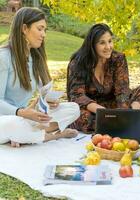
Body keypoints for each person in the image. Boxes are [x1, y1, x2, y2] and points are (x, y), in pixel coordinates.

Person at [0, 7, 80, 147]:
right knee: (15, 124)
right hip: (5, 120)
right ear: (24, 28)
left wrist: (47, 101)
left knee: (73, 108)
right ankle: (53, 135)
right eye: (40, 28)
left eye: (45, 30)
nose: (44, 34)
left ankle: (24, 136)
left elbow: (41, 98)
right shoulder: (3, 57)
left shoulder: (35, 58)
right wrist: (22, 112)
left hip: (26, 117)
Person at [67, 23, 140, 134]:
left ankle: (127, 119)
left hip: (115, 107)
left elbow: (122, 91)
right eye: (102, 43)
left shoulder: (118, 59)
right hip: (91, 109)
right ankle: (119, 124)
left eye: (110, 41)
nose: (108, 47)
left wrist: (123, 114)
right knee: (79, 116)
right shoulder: (78, 63)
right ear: (92, 45)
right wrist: (103, 112)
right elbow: (77, 95)